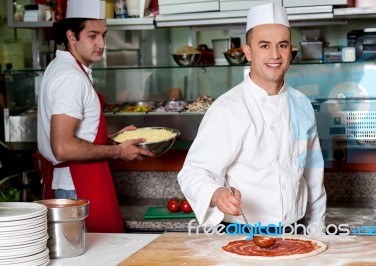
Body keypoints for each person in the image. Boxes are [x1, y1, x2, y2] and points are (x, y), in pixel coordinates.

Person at [177, 3, 326, 235]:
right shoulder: (227, 108)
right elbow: (193, 172)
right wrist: (216, 194)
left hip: (296, 231)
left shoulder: (302, 104)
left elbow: (314, 178)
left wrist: (317, 233)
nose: (275, 55)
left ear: (290, 51)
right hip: (243, 233)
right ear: (248, 52)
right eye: (264, 45)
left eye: (282, 45)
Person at [36, 0, 154, 233]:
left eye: (103, 35)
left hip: (77, 183)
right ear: (72, 36)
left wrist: (111, 138)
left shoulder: (62, 67)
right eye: (92, 36)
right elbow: (62, 147)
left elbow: (75, 135)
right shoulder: (71, 78)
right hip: (77, 188)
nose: (101, 44)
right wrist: (119, 151)